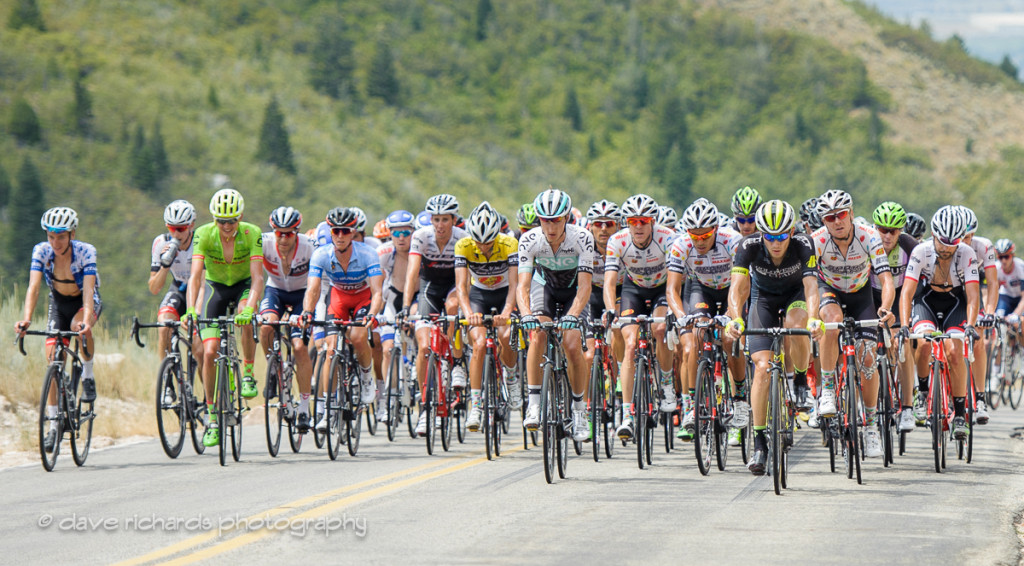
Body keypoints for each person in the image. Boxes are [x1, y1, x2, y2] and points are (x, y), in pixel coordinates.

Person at [725, 200, 821, 475]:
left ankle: (801, 381)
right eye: (770, 236)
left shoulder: (804, 244)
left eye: (782, 236)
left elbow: (811, 286)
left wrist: (814, 317)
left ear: (791, 232)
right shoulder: (748, 246)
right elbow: (737, 289)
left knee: (796, 323)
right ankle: (759, 443)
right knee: (763, 368)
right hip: (763, 300)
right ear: (760, 233)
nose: (776, 243)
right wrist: (735, 318)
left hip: (795, 297)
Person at [811, 189, 895, 459]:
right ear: (824, 221)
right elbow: (809, 283)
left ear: (852, 213)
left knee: (868, 359)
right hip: (830, 291)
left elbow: (886, 280)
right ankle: (826, 391)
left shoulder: (869, 236)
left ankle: (870, 426)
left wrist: (886, 308)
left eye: (841, 214)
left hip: (861, 296)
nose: (837, 221)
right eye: (830, 217)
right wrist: (813, 317)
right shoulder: (817, 240)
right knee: (832, 322)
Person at [15, 207, 102, 454]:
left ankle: (87, 373)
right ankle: (53, 424)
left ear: (72, 234)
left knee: (78, 328)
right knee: (53, 356)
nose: (55, 242)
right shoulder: (41, 251)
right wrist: (26, 320)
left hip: (85, 301)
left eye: (61, 236)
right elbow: (33, 287)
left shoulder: (86, 252)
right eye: (51, 236)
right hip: (58, 303)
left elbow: (88, 291)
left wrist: (86, 321)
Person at [182, 188, 265, 447]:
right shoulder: (204, 234)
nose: (227, 226)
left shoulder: (252, 233)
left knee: (243, 314)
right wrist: (191, 310)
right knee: (209, 352)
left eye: (231, 221)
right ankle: (212, 416)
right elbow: (195, 277)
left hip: (242, 286)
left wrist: (251, 307)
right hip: (215, 288)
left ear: (240, 218)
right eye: (221, 221)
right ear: (214, 219)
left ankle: (248, 372)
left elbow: (258, 277)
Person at [517, 188, 595, 442]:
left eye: (556, 220)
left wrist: (573, 315)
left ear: (566, 219)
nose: (550, 227)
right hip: (545, 288)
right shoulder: (529, 240)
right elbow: (523, 286)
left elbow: (584, 287)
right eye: (545, 220)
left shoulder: (582, 238)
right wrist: (526, 313)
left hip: (574, 291)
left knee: (572, 345)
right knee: (537, 335)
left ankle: (579, 411)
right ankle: (534, 403)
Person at [666, 198, 745, 444]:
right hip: (701, 288)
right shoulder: (680, 245)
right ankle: (691, 405)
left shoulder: (732, 241)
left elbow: (742, 286)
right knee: (697, 336)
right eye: (694, 236)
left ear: (716, 230)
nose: (699, 241)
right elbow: (672, 289)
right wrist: (681, 317)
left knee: (730, 338)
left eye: (705, 236)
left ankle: (740, 398)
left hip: (732, 289)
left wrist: (733, 316)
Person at [900, 206, 979, 441]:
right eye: (942, 242)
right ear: (933, 234)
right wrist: (904, 325)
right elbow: (907, 293)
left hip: (955, 302)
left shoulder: (966, 253)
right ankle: (922, 392)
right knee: (923, 344)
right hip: (927, 300)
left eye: (953, 243)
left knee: (955, 351)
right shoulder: (920, 251)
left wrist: (971, 325)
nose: (946, 248)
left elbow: (973, 295)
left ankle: (960, 414)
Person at [302, 207, 385, 431]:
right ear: (330, 232)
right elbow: (313, 289)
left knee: (358, 337)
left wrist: (372, 314)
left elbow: (377, 291)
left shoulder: (367, 254)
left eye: (345, 231)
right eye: (336, 231)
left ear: (353, 232)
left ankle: (367, 377)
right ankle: (329, 410)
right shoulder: (321, 255)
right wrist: (308, 313)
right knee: (330, 350)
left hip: (362, 298)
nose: (340, 236)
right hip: (338, 298)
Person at [604, 194, 676, 440]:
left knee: (658, 331)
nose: (638, 226)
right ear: (626, 221)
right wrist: (610, 310)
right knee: (631, 343)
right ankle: (626, 414)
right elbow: (610, 282)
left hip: (661, 289)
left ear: (652, 221)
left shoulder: (667, 238)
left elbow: (678, 279)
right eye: (632, 221)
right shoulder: (618, 240)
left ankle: (666, 383)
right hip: (632, 290)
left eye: (643, 221)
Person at [403, 194, 469, 436]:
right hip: (429, 287)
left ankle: (457, 359)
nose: (440, 225)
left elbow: (466, 280)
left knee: (452, 309)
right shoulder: (421, 236)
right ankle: (425, 406)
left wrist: (462, 300)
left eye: (445, 219)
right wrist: (404, 307)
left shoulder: (463, 238)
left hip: (455, 285)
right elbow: (412, 273)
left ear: (454, 219)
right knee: (423, 348)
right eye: (436, 219)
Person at [455, 202, 519, 431]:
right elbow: (461, 287)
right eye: (479, 243)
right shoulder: (463, 245)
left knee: (506, 335)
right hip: (479, 295)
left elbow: (514, 285)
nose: (483, 247)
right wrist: (469, 314)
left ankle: (511, 377)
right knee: (479, 344)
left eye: (489, 242)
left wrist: (507, 311)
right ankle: (477, 405)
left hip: (504, 295)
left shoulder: (510, 243)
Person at [258, 206, 315, 432]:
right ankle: (274, 370)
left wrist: (308, 312)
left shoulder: (309, 247)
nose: (282, 238)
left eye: (288, 233)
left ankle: (303, 406)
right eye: (278, 232)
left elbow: (318, 281)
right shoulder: (263, 243)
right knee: (266, 327)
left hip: (303, 294)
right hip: (276, 291)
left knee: (299, 347)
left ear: (296, 232)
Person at [870, 202, 919, 434]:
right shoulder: (867, 242)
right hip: (870, 295)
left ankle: (907, 407)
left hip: (900, 296)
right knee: (867, 344)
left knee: (902, 344)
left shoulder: (910, 246)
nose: (887, 235)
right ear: (875, 227)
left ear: (901, 231)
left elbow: (915, 286)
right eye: (882, 229)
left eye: (893, 230)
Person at [148, 200, 201, 401]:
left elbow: (204, 282)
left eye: (181, 229)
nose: (176, 234)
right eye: (171, 228)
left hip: (200, 291)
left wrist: (194, 310)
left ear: (191, 225)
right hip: (179, 287)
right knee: (164, 326)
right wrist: (165, 265)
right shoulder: (161, 243)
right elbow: (154, 287)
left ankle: (210, 401)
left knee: (199, 348)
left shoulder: (200, 242)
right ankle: (168, 384)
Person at [958, 206, 997, 424]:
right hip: (951, 291)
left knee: (979, 339)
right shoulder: (941, 245)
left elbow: (992, 283)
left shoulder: (984, 246)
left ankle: (980, 398)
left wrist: (990, 312)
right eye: (961, 237)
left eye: (970, 236)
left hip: (973, 290)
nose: (966, 241)